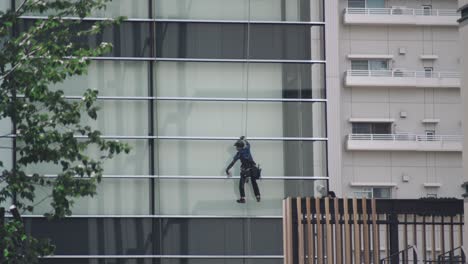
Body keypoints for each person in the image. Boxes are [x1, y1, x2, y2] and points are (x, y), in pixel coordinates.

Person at [226, 136, 261, 203]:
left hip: (245, 171)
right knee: (254, 183)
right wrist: (243, 139)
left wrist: (227, 170)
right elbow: (248, 144)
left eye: (237, 147)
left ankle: (243, 198)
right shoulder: (247, 149)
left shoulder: (239, 154)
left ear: (239, 147)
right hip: (253, 169)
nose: (236, 148)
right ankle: (258, 196)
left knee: (241, 184)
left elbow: (232, 163)